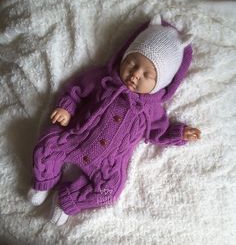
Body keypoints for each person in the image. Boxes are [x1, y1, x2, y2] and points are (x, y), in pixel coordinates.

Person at [27, 15, 201, 226]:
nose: (135, 74)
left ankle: (70, 198)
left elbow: (159, 131)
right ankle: (44, 180)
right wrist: (66, 108)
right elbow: (76, 90)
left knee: (110, 192)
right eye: (132, 62)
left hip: (109, 165)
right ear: (124, 55)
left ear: (160, 83)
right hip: (76, 137)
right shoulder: (103, 79)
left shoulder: (152, 110)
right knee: (48, 143)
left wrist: (179, 133)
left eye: (147, 74)